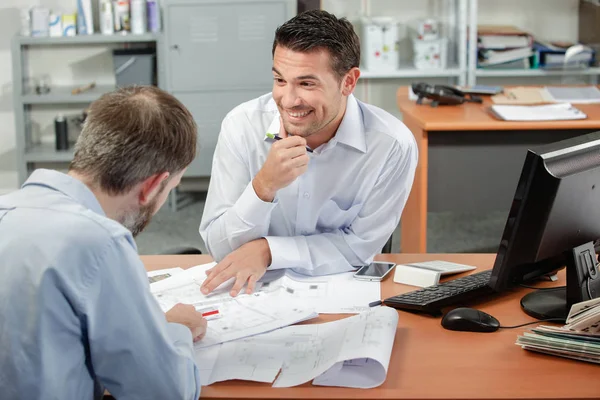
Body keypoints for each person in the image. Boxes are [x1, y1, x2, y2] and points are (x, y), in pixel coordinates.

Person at [0, 86, 206, 399]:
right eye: (171, 188)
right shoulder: (101, 243)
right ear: (152, 186)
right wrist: (174, 331)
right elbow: (165, 392)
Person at [199, 10, 418, 296]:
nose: (288, 100)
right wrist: (263, 187)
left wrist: (269, 250)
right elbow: (219, 247)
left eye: (306, 83)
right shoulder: (242, 126)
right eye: (280, 80)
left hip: (342, 294)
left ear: (349, 82)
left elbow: (359, 248)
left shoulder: (391, 145)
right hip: (251, 295)